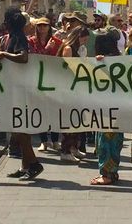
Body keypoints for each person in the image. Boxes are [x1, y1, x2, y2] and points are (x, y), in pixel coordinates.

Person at [0, 7, 44, 181]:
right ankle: (26, 166)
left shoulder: (18, 37)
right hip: (13, 87)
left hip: (19, 89)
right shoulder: (13, 36)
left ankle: (33, 164)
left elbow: (23, 57)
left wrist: (5, 54)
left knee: (21, 129)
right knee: (18, 129)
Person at [90, 33, 123, 185]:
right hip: (118, 108)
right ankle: (112, 172)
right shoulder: (121, 60)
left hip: (106, 108)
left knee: (105, 142)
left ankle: (107, 174)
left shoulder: (104, 62)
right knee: (115, 141)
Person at [57, 25, 90, 162]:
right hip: (68, 88)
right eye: (83, 39)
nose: (85, 42)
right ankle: (65, 150)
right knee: (70, 119)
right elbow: (67, 68)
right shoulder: (68, 49)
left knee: (78, 118)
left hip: (77, 87)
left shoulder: (80, 49)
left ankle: (74, 148)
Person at [28, 17, 62, 152]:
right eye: (40, 26)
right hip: (37, 80)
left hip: (53, 81)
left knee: (54, 111)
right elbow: (33, 58)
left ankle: (55, 140)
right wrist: (47, 49)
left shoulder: (58, 42)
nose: (42, 28)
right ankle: (44, 141)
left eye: (45, 26)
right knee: (40, 111)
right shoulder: (31, 41)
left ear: (49, 27)